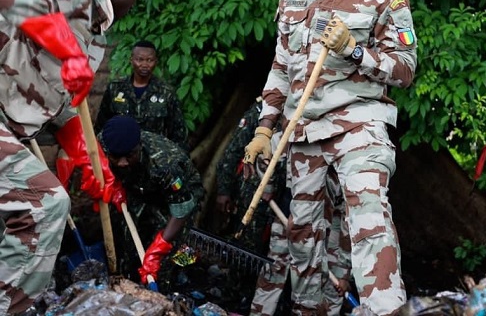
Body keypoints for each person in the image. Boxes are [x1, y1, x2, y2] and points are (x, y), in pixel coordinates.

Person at [242, 0, 417, 313]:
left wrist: (354, 51)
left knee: (369, 215)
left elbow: (405, 70)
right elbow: (281, 70)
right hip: (303, 133)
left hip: (360, 125)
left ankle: (386, 310)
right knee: (302, 236)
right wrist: (264, 129)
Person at [0, 0, 146, 314]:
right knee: (47, 203)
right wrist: (67, 50)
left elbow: (65, 110)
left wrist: (88, 159)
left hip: (10, 132)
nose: (136, 3)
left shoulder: (96, 38)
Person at [98, 115, 204, 290]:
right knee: (130, 240)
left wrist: (159, 248)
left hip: (180, 197)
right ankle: (131, 281)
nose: (122, 163)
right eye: (116, 157)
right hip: (140, 188)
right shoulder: (105, 141)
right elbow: (97, 157)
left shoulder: (165, 165)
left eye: (129, 155)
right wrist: (113, 182)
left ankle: (175, 279)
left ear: (139, 146)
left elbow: (181, 209)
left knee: (167, 257)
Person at [250, 168, 352, 316]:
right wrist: (267, 186)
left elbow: (347, 228)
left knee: (325, 281)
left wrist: (343, 273)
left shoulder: (351, 177)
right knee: (275, 268)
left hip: (329, 216)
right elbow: (269, 153)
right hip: (294, 207)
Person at [95, 39, 188, 150]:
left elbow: (179, 133)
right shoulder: (115, 88)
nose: (144, 64)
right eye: (140, 59)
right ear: (131, 60)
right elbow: (102, 126)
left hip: (155, 157)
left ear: (156, 62)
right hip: (122, 155)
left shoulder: (166, 92)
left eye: (149, 60)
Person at [215, 97, 277, 255]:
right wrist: (224, 189)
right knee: (243, 247)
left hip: (282, 198)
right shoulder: (263, 107)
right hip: (251, 193)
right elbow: (235, 149)